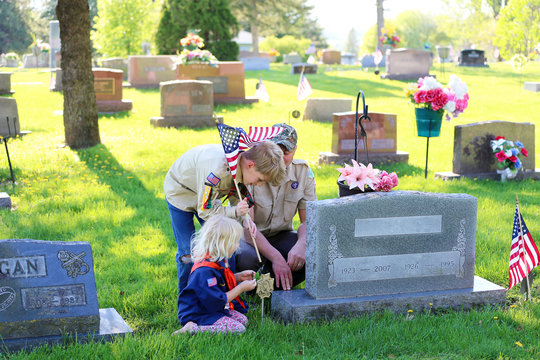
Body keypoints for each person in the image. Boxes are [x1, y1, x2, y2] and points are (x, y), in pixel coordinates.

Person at [164, 141, 286, 296]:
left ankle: (225, 297)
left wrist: (246, 219)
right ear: (250, 165)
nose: (260, 185)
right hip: (181, 194)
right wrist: (235, 212)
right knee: (189, 253)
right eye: (260, 179)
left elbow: (238, 195)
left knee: (226, 246)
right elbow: (205, 212)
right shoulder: (217, 171)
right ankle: (188, 303)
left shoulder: (240, 167)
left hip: (208, 199)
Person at [236, 124, 316, 290]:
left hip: (281, 234)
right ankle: (245, 287)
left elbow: (308, 221)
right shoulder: (252, 172)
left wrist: (302, 245)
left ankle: (270, 288)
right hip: (249, 238)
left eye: (286, 153)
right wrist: (277, 258)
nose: (280, 158)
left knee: (312, 250)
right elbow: (248, 229)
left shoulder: (303, 172)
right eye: (276, 151)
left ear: (295, 150)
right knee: (245, 257)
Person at [173, 215, 257, 334]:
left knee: (243, 320)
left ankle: (213, 322)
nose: (237, 245)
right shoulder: (204, 271)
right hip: (198, 313)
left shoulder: (216, 259)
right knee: (239, 329)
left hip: (210, 307)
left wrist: (238, 277)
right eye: (235, 242)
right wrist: (241, 288)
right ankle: (191, 329)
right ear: (222, 243)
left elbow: (219, 281)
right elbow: (218, 300)